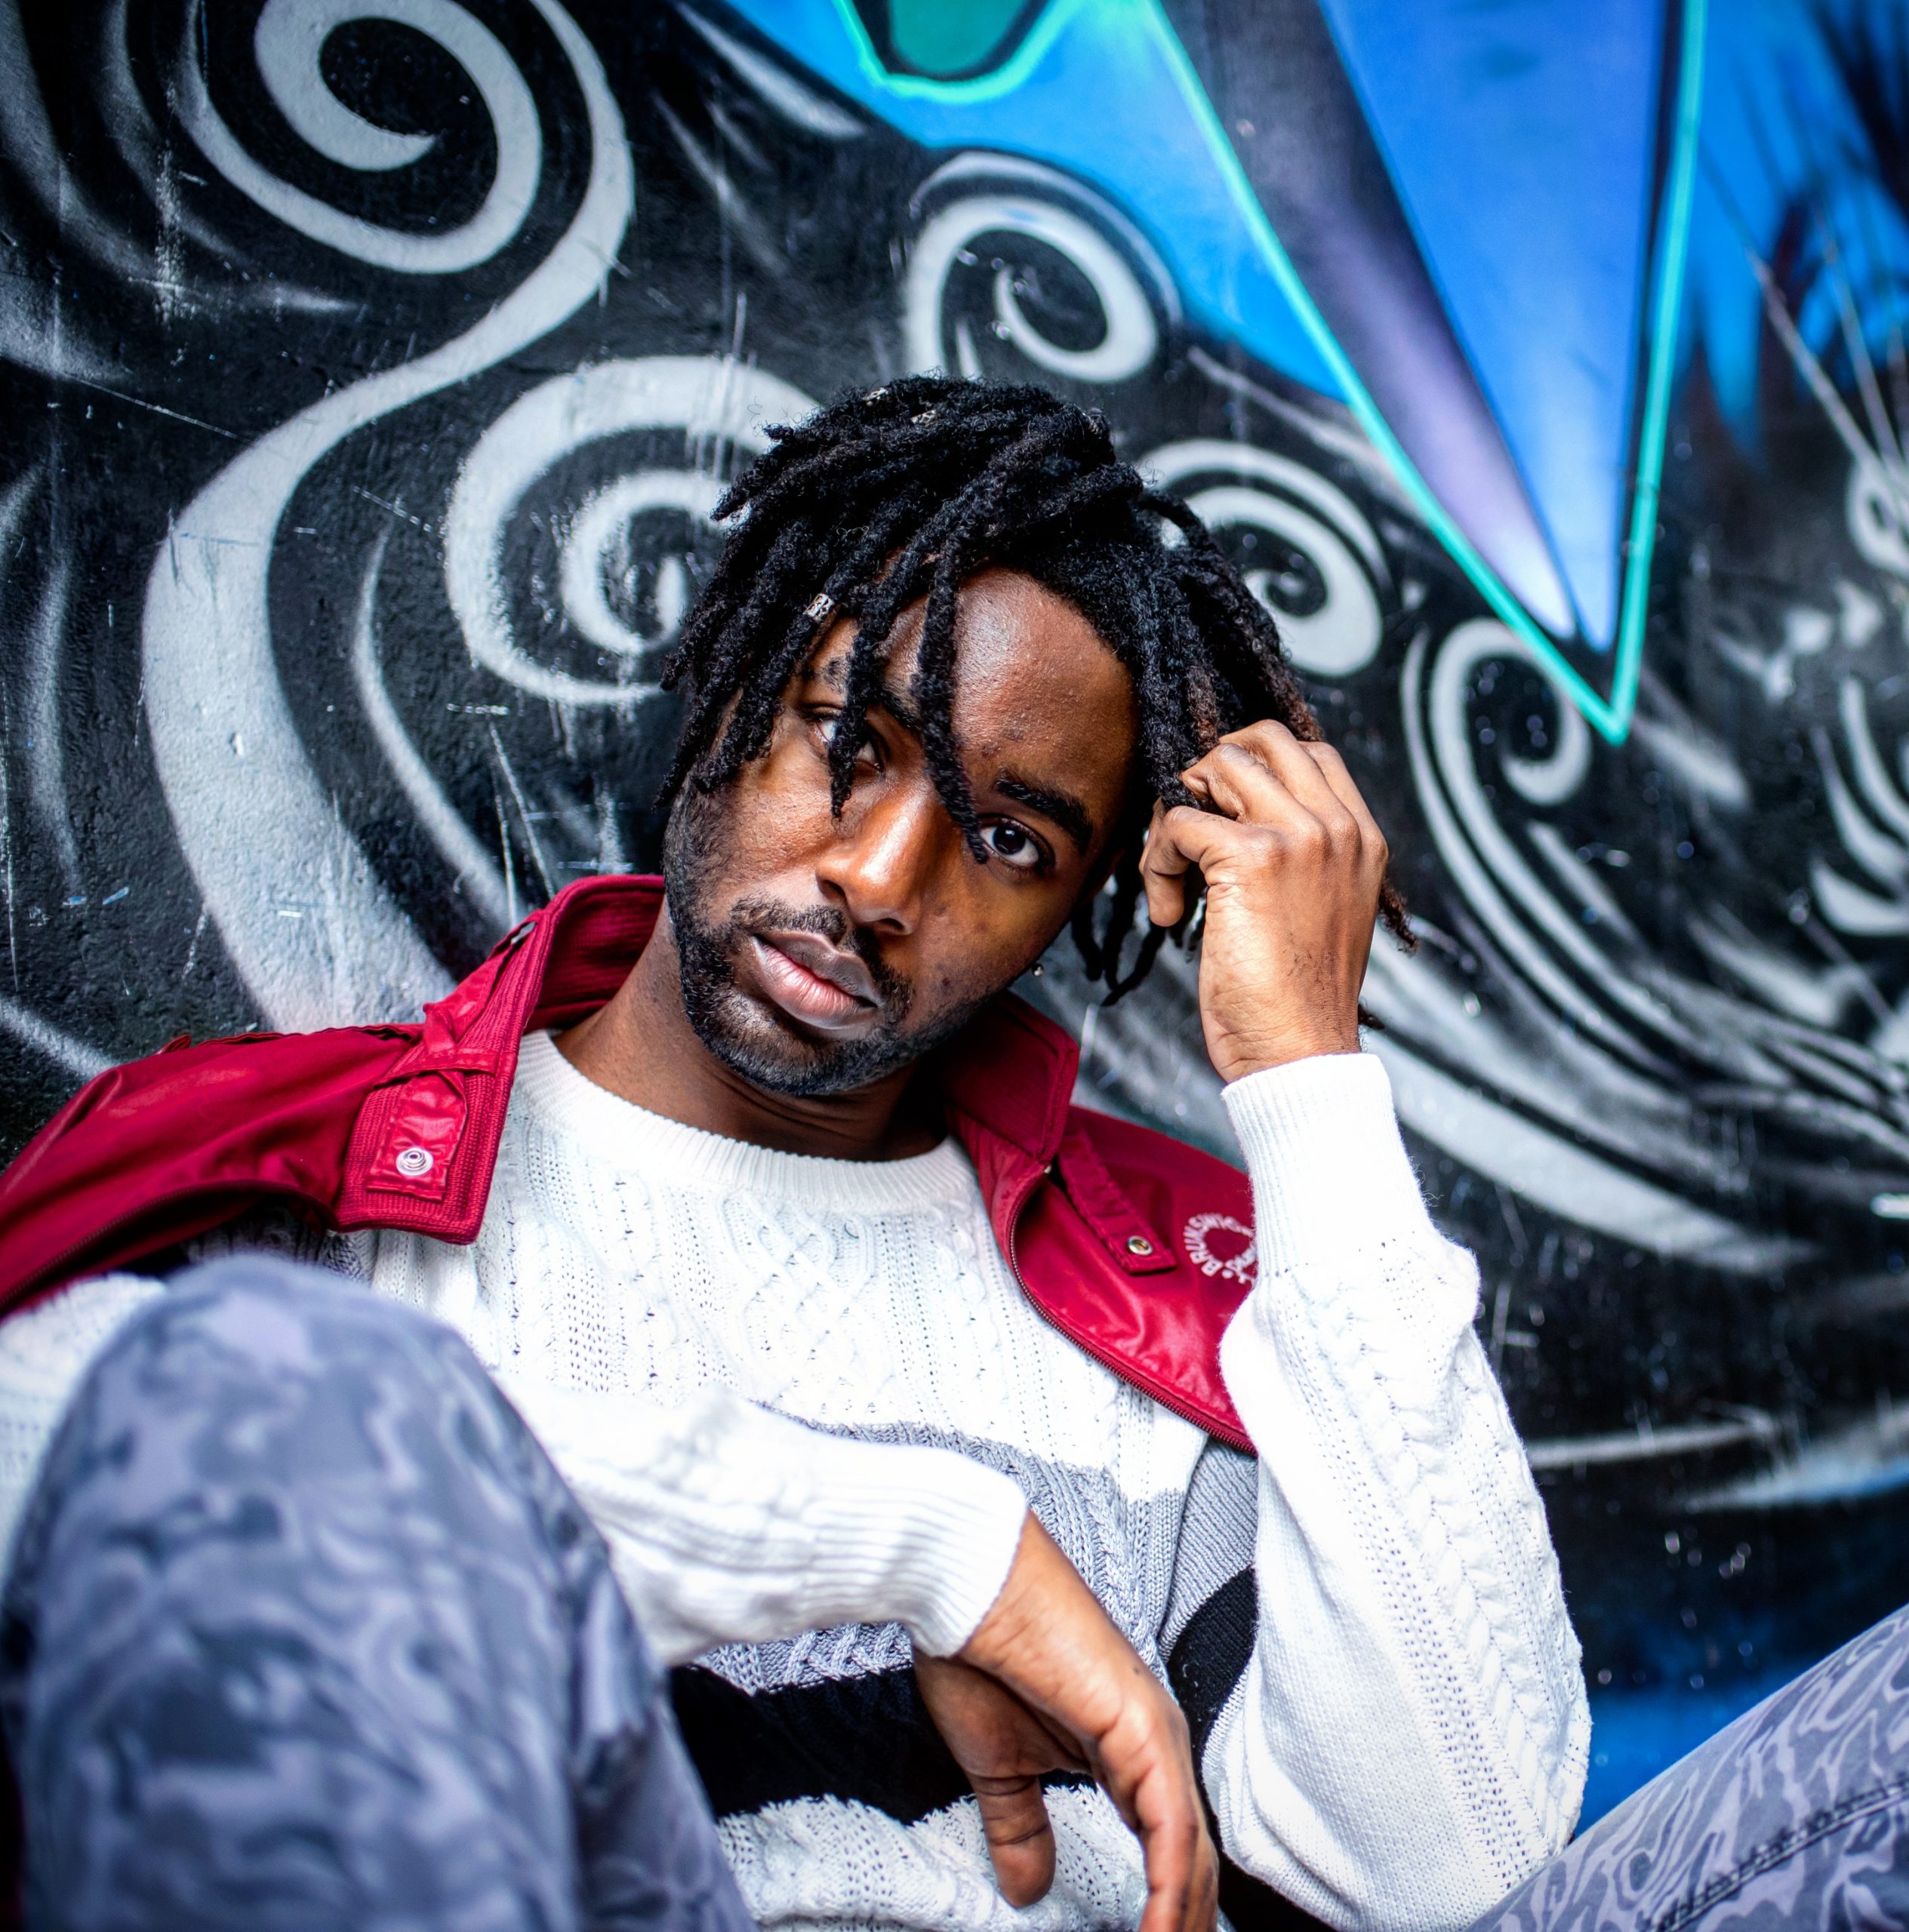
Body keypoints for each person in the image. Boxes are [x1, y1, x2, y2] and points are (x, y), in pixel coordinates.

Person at [0, 379, 1590, 1932]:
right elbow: (84, 1489)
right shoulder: (311, 1177)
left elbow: (1453, 1866)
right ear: (726, 682)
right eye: (849, 737)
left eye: (1011, 839)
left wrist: (1307, 1081)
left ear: (1079, 907)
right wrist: (928, 1548)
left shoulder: (1177, 1301)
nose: (881, 877)